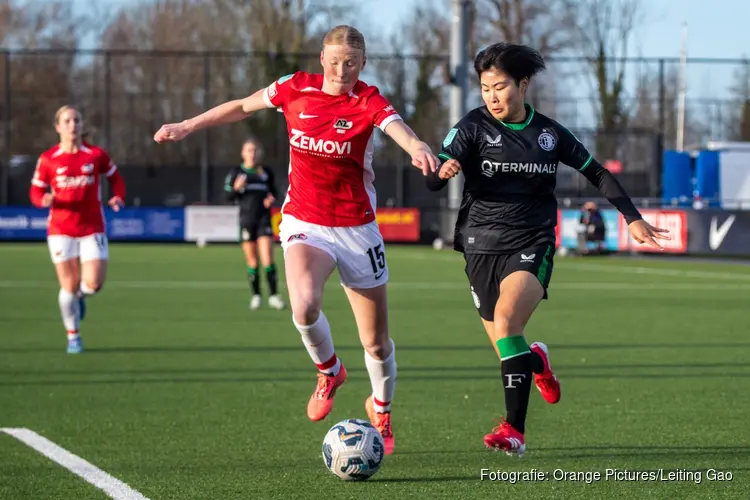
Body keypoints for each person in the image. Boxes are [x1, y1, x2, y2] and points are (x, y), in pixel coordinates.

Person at [154, 25, 438, 455]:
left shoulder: (367, 100)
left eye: (352, 63)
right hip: (306, 221)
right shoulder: (294, 88)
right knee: (304, 304)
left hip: (358, 228)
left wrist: (416, 146)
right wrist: (188, 125)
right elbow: (242, 106)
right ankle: (329, 371)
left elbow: (396, 126)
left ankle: (382, 408)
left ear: (363, 64)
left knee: (376, 342)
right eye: (336, 61)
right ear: (321, 58)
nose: (343, 70)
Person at [426, 43, 670, 456]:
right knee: (510, 347)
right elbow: (436, 174)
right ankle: (538, 360)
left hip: (531, 241)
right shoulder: (471, 127)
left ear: (522, 85)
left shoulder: (550, 134)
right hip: (479, 245)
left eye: (500, 86)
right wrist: (441, 170)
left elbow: (597, 172)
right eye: (485, 88)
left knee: (506, 323)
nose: (492, 96)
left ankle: (513, 430)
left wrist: (631, 217)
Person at [29, 105, 126, 354]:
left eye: (77, 120)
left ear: (82, 126)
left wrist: (118, 196)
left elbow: (115, 178)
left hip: (92, 227)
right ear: (58, 127)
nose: (73, 125)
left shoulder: (95, 155)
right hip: (60, 229)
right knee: (68, 286)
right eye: (67, 121)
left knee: (93, 284)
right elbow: (36, 191)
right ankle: (73, 336)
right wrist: (43, 200)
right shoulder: (48, 159)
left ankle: (82, 297)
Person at [224, 137, 285, 310]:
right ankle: (256, 295)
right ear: (243, 153)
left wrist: (271, 199)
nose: (252, 154)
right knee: (252, 262)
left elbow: (274, 193)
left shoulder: (265, 172)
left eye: (255, 150)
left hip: (263, 220)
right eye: (249, 150)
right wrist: (236, 188)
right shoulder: (237, 173)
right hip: (246, 221)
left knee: (268, 260)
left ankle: (273, 296)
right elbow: (227, 196)